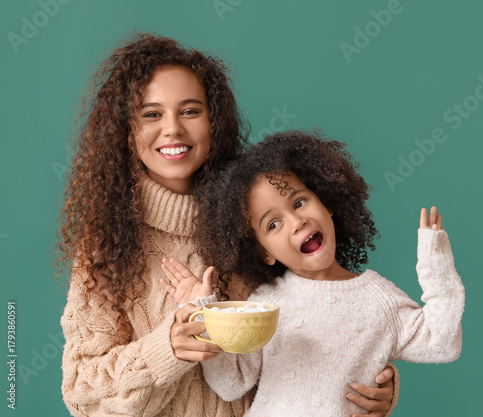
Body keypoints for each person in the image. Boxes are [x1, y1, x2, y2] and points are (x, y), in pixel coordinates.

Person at [57, 33, 397, 417]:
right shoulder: (106, 246)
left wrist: (374, 387)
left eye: (190, 111)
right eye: (152, 114)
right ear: (125, 130)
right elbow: (81, 392)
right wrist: (165, 350)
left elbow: (323, 313)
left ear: (214, 122)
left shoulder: (257, 218)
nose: (172, 129)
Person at [158, 130, 464, 416]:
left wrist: (434, 261)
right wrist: (204, 311)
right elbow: (231, 384)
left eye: (299, 202)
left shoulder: (381, 300)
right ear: (264, 252)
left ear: (327, 203)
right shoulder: (265, 304)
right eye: (273, 224)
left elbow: (442, 343)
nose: (296, 222)